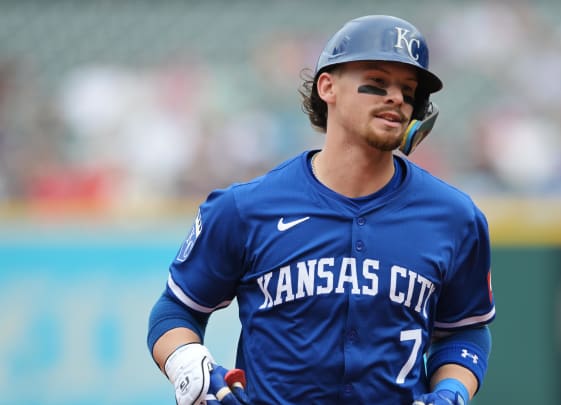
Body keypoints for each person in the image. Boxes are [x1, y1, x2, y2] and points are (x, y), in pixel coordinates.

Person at [147, 14, 495, 405]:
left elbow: (465, 330)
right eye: (377, 82)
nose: (396, 97)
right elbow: (175, 311)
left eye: (409, 89)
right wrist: (190, 364)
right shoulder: (245, 208)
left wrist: (451, 391)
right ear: (327, 86)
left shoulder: (454, 218)